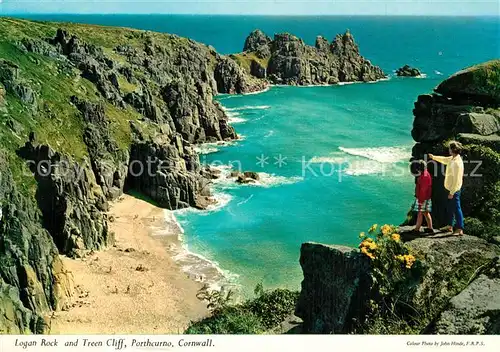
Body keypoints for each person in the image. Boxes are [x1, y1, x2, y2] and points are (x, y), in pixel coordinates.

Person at [429, 141, 465, 235]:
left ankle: (460, 228)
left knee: (457, 208)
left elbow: (457, 180)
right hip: (449, 188)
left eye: (449, 148)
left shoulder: (457, 163)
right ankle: (450, 226)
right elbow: (444, 160)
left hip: (454, 190)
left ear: (453, 150)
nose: (448, 150)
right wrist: (433, 157)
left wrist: (452, 192)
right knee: (450, 208)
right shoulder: (453, 158)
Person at [412, 160, 433, 232]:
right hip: (426, 197)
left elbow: (423, 190)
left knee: (420, 213)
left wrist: (420, 201)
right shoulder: (426, 174)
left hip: (423, 198)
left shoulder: (424, 176)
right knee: (425, 212)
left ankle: (417, 229)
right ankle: (430, 228)